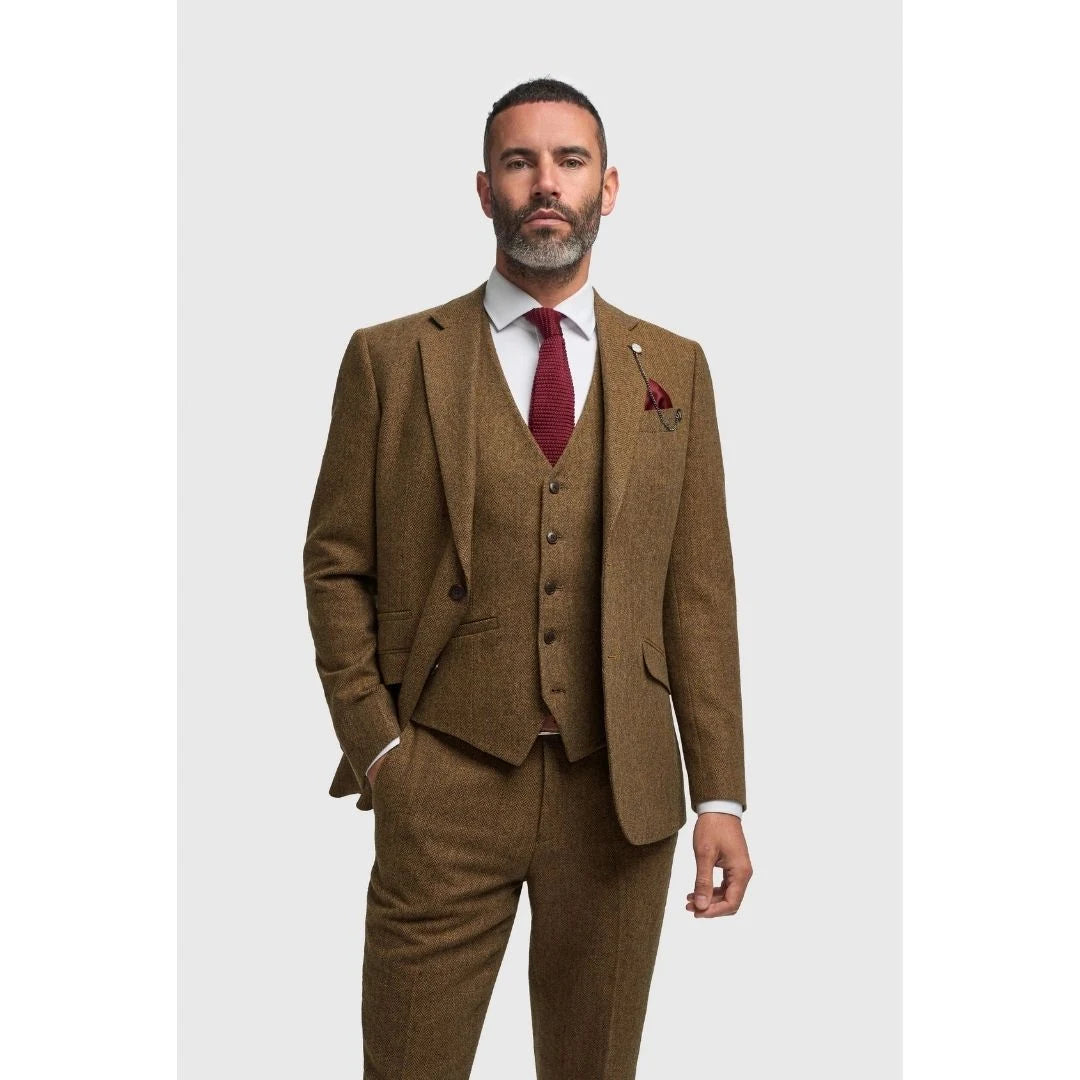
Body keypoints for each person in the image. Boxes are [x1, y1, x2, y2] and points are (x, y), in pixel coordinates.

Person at [303, 76, 753, 1079]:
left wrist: (720, 793)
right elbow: (335, 563)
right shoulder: (390, 360)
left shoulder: (675, 366)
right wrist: (380, 749)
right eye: (520, 162)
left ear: (608, 187)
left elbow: (699, 592)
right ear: (484, 189)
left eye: (570, 160)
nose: (546, 182)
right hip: (442, 778)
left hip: (620, 791)